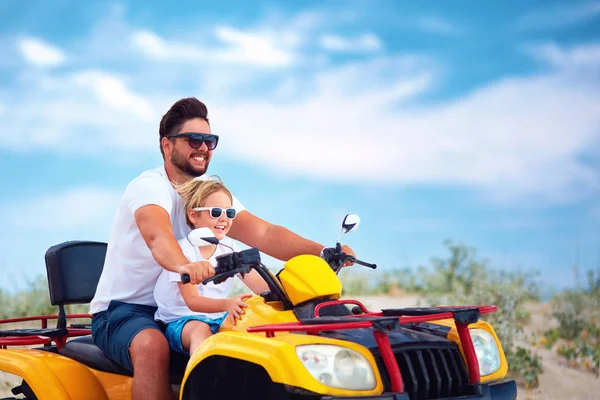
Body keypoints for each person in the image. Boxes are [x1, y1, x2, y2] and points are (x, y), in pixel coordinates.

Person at [89, 97, 356, 400]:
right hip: (126, 310)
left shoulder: (209, 196)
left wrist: (322, 252)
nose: (203, 147)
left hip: (184, 308)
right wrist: (185, 266)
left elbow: (264, 233)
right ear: (167, 145)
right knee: (152, 345)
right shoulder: (149, 187)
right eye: (194, 140)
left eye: (209, 141)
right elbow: (158, 236)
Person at [154, 177, 269, 357]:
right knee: (200, 330)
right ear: (193, 215)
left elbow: (259, 284)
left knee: (255, 327)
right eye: (215, 212)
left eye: (229, 213)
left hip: (219, 317)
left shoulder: (229, 248)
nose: (224, 218)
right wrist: (227, 304)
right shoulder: (182, 252)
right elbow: (193, 302)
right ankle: (203, 382)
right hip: (182, 320)